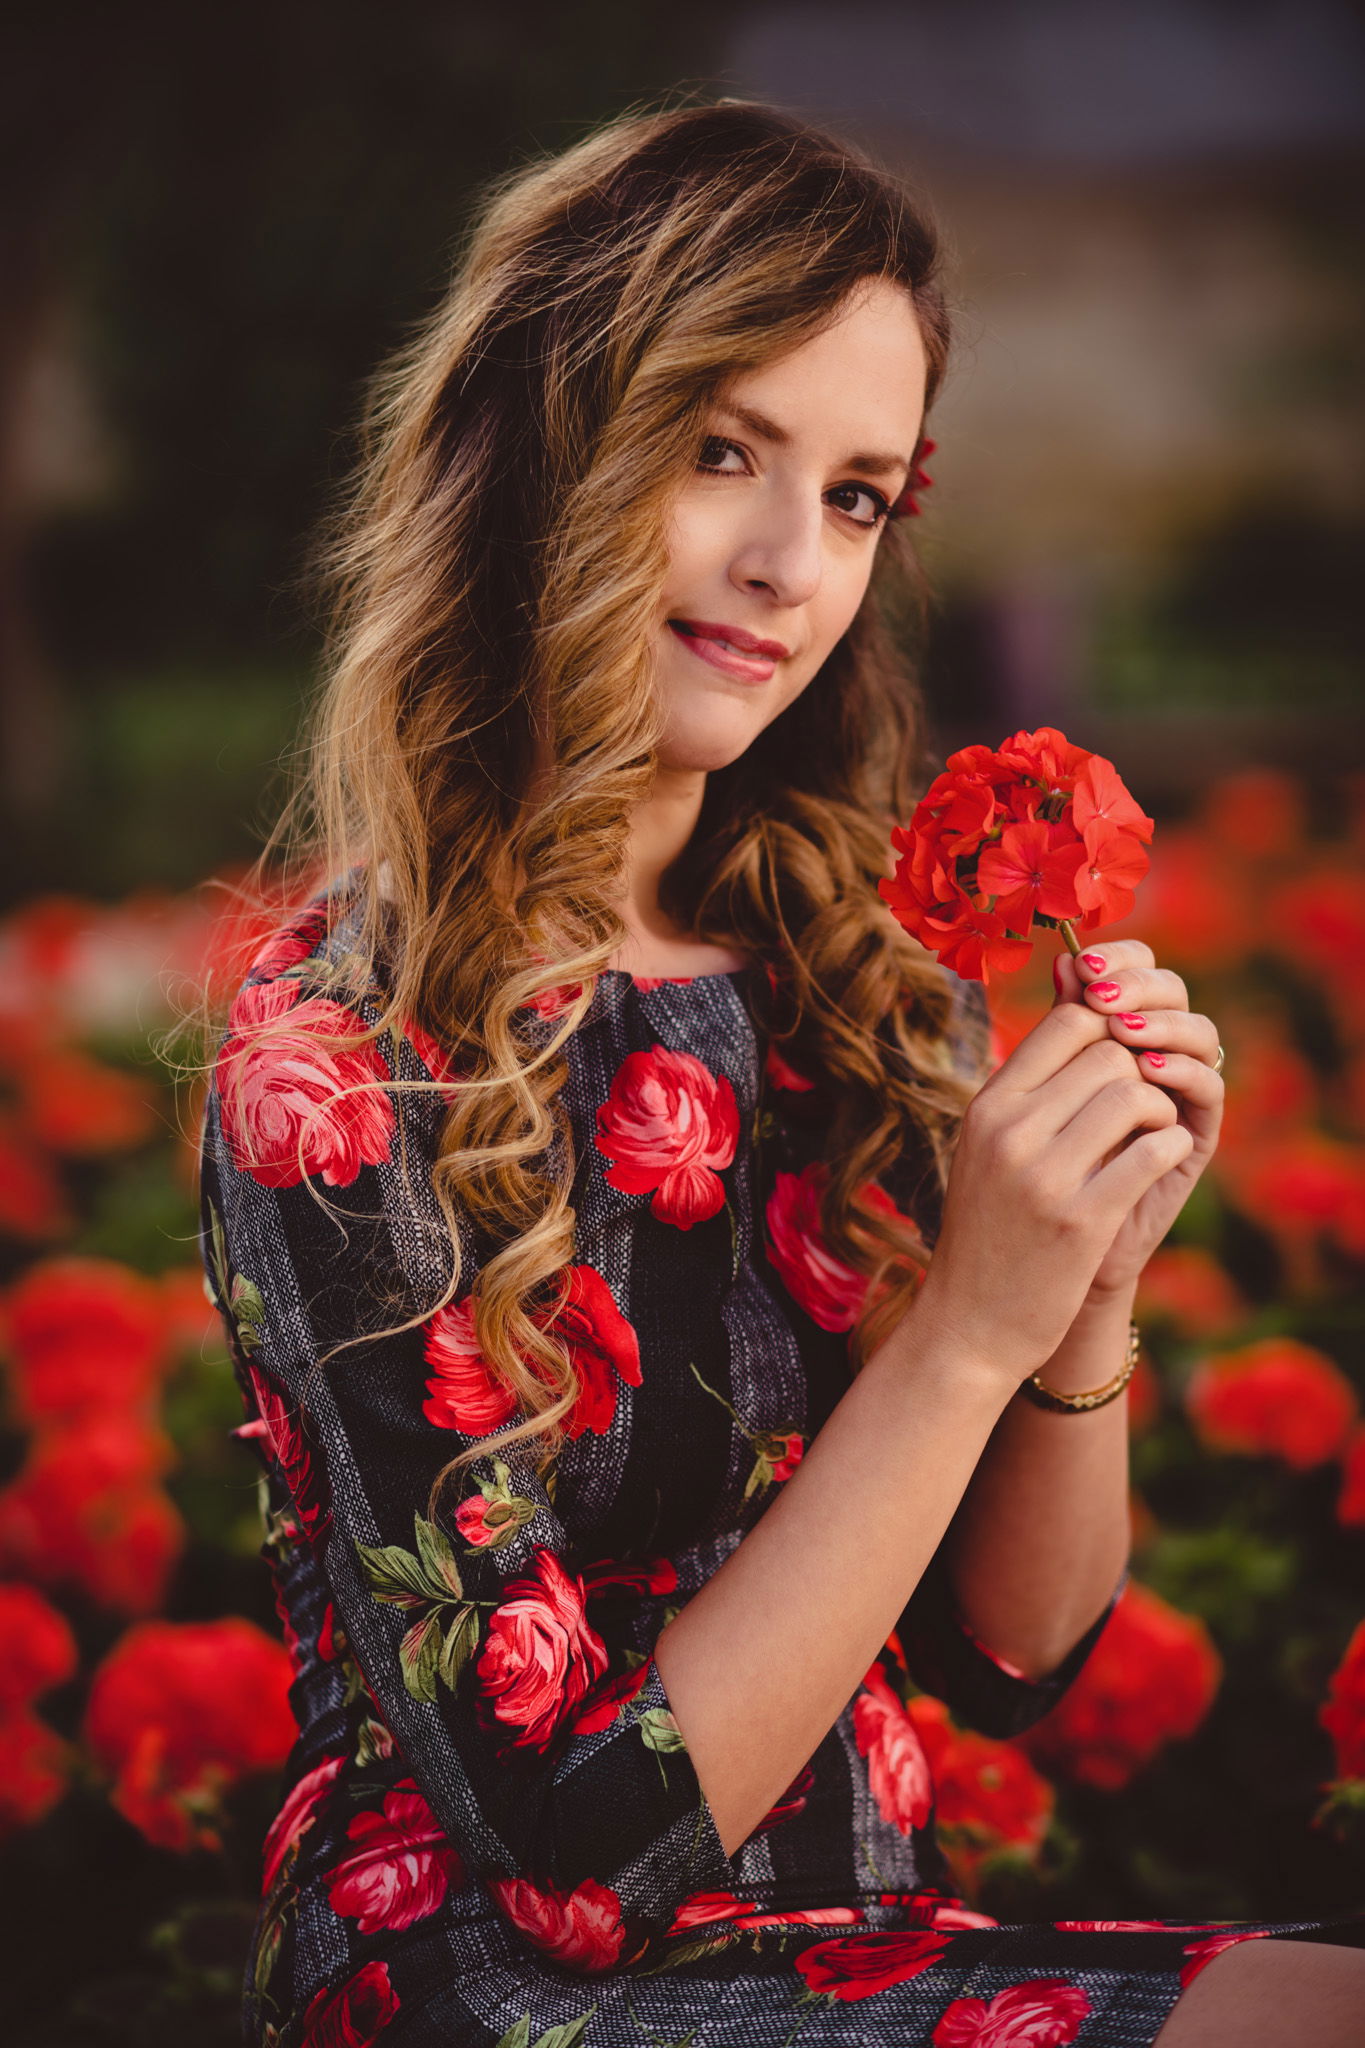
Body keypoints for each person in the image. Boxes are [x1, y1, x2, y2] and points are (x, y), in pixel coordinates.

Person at [198, 97, 1365, 2048]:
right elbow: (573, 1855)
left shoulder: (850, 972)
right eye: (716, 449)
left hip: (848, 1918)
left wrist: (1076, 1278)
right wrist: (959, 1325)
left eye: (850, 494)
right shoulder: (338, 1054)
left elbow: (1009, 1653)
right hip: (497, 1980)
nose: (778, 562)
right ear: (539, 445)